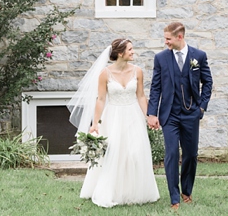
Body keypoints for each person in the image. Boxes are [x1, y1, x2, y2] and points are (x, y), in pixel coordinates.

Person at [67, 38, 160, 208]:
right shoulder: (105, 74)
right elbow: (101, 99)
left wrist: (148, 116)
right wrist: (95, 123)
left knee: (134, 152)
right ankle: (112, 192)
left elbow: (140, 96)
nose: (133, 52)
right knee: (115, 153)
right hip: (113, 116)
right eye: (130, 49)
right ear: (119, 53)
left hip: (133, 115)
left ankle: (135, 192)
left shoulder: (137, 71)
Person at [147, 22, 213, 209]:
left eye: (168, 38)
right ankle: (174, 197)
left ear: (180, 37)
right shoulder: (160, 58)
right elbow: (156, 87)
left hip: (191, 113)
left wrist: (201, 107)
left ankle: (187, 191)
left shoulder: (198, 56)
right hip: (169, 115)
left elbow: (207, 82)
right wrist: (152, 113)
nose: (165, 42)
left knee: (191, 155)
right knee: (172, 154)